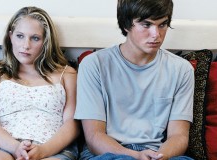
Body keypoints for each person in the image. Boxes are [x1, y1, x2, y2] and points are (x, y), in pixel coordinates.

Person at [74, 0, 194, 160]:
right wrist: (135, 156)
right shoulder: (94, 64)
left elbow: (178, 136)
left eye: (162, 25)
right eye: (146, 25)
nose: (156, 34)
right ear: (126, 25)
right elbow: (94, 136)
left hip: (158, 153)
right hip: (108, 153)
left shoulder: (181, 69)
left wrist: (157, 157)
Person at [0, 6, 79, 160]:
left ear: (46, 41)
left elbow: (72, 124)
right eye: (20, 36)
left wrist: (42, 151)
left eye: (35, 38)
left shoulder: (67, 74)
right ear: (10, 37)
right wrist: (15, 147)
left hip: (52, 151)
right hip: (7, 149)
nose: (26, 45)